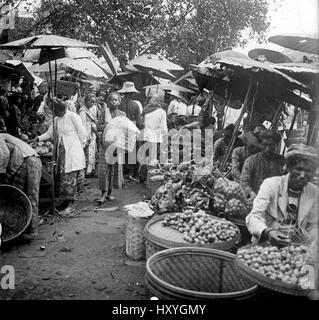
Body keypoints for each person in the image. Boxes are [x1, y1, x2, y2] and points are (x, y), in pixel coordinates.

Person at [246, 144, 319, 246]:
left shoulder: (314, 192)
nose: (302, 175)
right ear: (289, 167)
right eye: (298, 169)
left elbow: (314, 225)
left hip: (295, 248)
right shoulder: (271, 184)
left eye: (308, 171)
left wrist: (309, 236)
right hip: (266, 245)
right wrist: (268, 232)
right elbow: (254, 217)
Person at [36, 99, 87, 216]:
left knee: (70, 177)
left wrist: (80, 147)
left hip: (72, 150)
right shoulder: (56, 119)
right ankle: (65, 200)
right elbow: (49, 134)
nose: (57, 114)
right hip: (61, 151)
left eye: (58, 112)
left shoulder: (73, 116)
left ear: (63, 109)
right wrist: (38, 139)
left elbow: (82, 133)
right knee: (62, 177)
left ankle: (71, 204)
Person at [0, 133, 42, 239]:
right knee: (31, 197)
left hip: (26, 161)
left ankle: (29, 229)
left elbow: (4, 154)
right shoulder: (6, 136)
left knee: (22, 197)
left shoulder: (0, 136)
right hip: (34, 161)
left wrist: (1, 174)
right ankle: (31, 229)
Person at [97, 92, 126, 204]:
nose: (114, 102)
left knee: (114, 169)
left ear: (119, 102)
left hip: (117, 145)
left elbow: (125, 129)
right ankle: (103, 193)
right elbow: (98, 127)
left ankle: (110, 192)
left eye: (116, 100)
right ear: (108, 101)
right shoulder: (104, 112)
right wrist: (107, 125)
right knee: (104, 170)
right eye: (112, 100)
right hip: (105, 144)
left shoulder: (122, 114)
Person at [240, 130, 285, 201]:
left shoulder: (282, 161)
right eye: (265, 145)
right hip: (256, 199)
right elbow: (244, 181)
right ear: (260, 145)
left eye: (270, 145)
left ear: (275, 146)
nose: (267, 148)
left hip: (277, 200)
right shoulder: (251, 161)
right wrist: (250, 192)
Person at [118, 81, 142, 180]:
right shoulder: (135, 105)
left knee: (122, 148)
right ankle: (131, 171)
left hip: (121, 128)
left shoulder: (119, 104)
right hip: (132, 127)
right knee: (132, 149)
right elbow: (139, 121)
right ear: (132, 93)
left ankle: (123, 170)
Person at [78, 93, 98, 176]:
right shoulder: (82, 112)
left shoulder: (89, 109)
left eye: (94, 102)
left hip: (91, 135)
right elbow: (82, 126)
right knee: (86, 154)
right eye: (91, 101)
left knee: (91, 153)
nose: (92, 104)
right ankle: (85, 174)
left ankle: (89, 171)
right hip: (87, 136)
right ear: (86, 101)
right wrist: (84, 139)